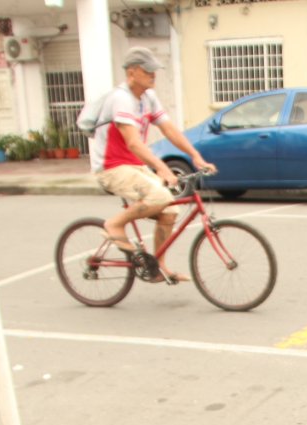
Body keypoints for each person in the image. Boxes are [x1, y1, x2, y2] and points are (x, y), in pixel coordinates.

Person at [91, 46, 215, 284]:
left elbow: (169, 129)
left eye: (154, 70)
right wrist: (163, 168)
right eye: (147, 70)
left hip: (133, 166)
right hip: (112, 168)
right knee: (160, 195)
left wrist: (195, 156)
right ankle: (114, 224)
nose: (153, 74)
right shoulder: (121, 99)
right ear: (132, 72)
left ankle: (158, 266)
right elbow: (134, 143)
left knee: (170, 209)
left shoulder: (147, 97)